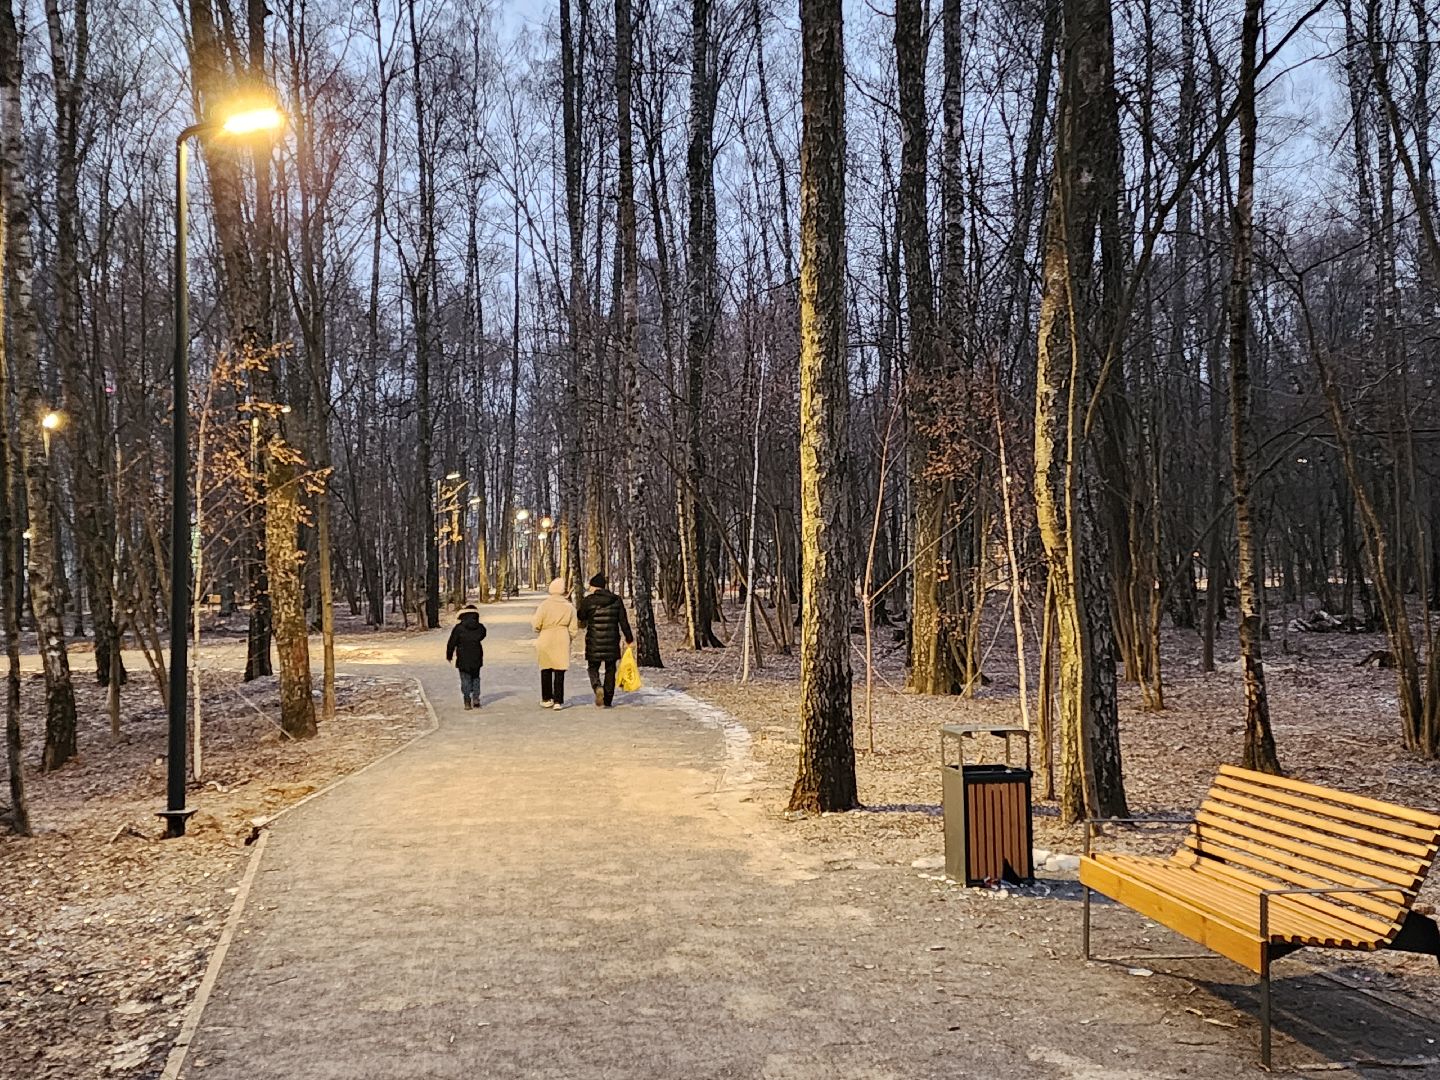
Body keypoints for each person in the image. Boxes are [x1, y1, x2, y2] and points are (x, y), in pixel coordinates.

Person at [576, 572, 633, 708]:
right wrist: (629, 638)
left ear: (595, 587)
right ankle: (608, 699)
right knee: (610, 669)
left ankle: (597, 687)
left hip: (594, 640)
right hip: (612, 641)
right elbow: (623, 621)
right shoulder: (616, 600)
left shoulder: (589, 601)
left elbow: (581, 616)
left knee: (593, 667)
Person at [531, 578, 578, 709]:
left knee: (545, 668)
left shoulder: (544, 605)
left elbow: (536, 624)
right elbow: (574, 628)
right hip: (562, 637)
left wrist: (538, 629)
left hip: (546, 637)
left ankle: (546, 698)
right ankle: (558, 700)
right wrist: (570, 637)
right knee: (559, 669)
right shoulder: (569, 607)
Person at [445, 604, 488, 710]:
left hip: (463, 657)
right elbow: (482, 636)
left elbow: (452, 642)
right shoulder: (480, 627)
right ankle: (476, 699)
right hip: (476, 656)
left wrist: (449, 655)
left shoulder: (459, 628)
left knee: (465, 679)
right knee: (476, 678)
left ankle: (467, 700)